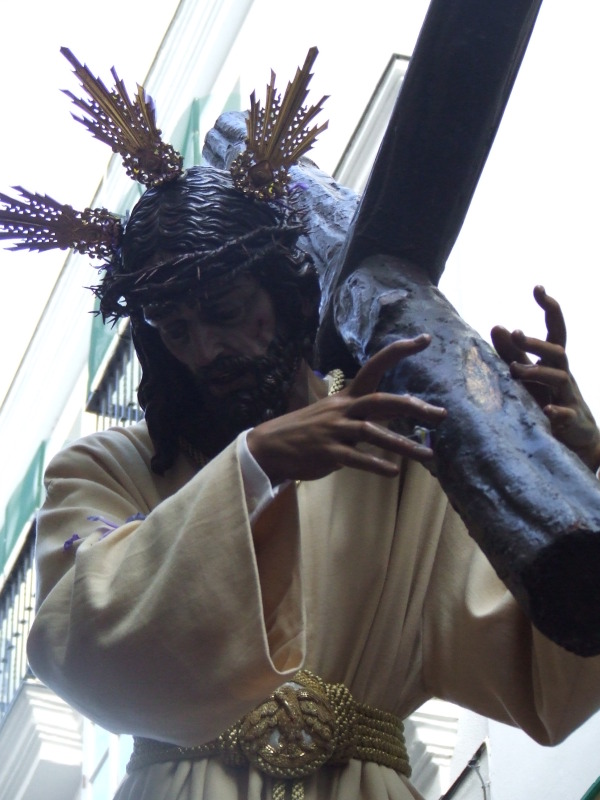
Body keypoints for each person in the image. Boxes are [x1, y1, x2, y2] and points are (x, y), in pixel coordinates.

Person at [2, 48, 598, 800]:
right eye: (175, 330)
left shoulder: (401, 452)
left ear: (285, 295)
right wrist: (256, 466)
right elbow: (80, 637)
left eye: (225, 313)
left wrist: (572, 467)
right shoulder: (107, 470)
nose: (204, 351)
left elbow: (543, 668)